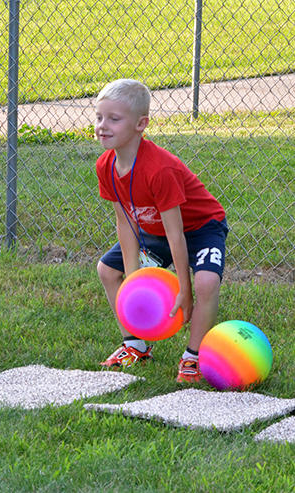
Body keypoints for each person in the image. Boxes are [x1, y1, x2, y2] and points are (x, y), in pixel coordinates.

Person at [95, 79, 228, 383]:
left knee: (206, 282)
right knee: (107, 271)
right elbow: (125, 223)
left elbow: (176, 233)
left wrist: (185, 291)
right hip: (151, 232)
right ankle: (135, 345)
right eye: (99, 117)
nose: (103, 125)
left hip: (200, 228)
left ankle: (193, 357)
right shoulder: (105, 166)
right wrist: (132, 278)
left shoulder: (160, 169)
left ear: (141, 124)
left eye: (114, 119)